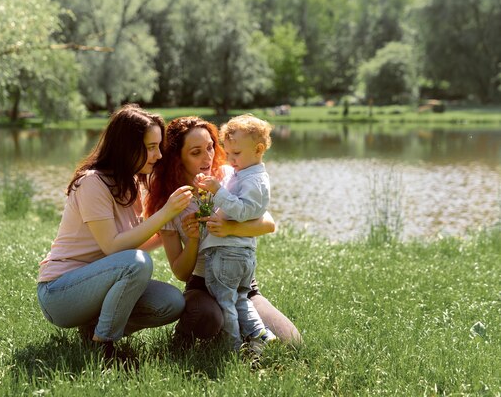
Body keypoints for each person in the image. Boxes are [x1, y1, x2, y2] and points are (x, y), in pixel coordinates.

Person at [36, 104, 193, 360]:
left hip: (100, 283)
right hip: (60, 294)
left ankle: (92, 330)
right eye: (151, 147)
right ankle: (104, 346)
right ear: (127, 147)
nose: (158, 155)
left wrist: (173, 228)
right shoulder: (92, 182)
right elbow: (113, 248)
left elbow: (130, 248)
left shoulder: (130, 183)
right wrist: (165, 213)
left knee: (171, 303)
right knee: (137, 263)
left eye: (158, 146)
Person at [145, 116, 303, 350]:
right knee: (208, 318)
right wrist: (194, 240)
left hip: (241, 283)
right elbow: (180, 272)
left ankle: (244, 335)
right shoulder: (171, 202)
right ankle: (204, 336)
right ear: (178, 158)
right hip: (202, 283)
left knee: (292, 343)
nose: (208, 157)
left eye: (210, 147)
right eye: (196, 152)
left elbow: (268, 223)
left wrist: (230, 228)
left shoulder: (229, 175)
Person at [194, 114, 273, 352]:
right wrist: (210, 188)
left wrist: (217, 190)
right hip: (239, 254)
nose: (230, 160)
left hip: (229, 253)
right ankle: (259, 336)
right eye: (227, 153)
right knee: (239, 299)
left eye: (236, 154)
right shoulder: (242, 174)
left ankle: (231, 346)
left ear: (258, 149)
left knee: (225, 302)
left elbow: (242, 210)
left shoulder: (255, 181)